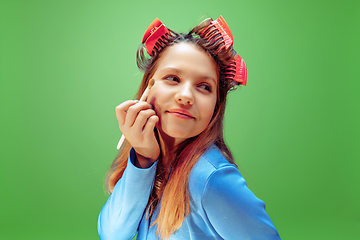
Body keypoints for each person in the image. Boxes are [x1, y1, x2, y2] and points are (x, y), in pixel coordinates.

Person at [97, 16, 281, 240]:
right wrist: (144, 159)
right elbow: (113, 234)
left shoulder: (213, 179)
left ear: (216, 105)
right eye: (173, 78)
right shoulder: (150, 162)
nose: (185, 96)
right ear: (148, 88)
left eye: (204, 87)